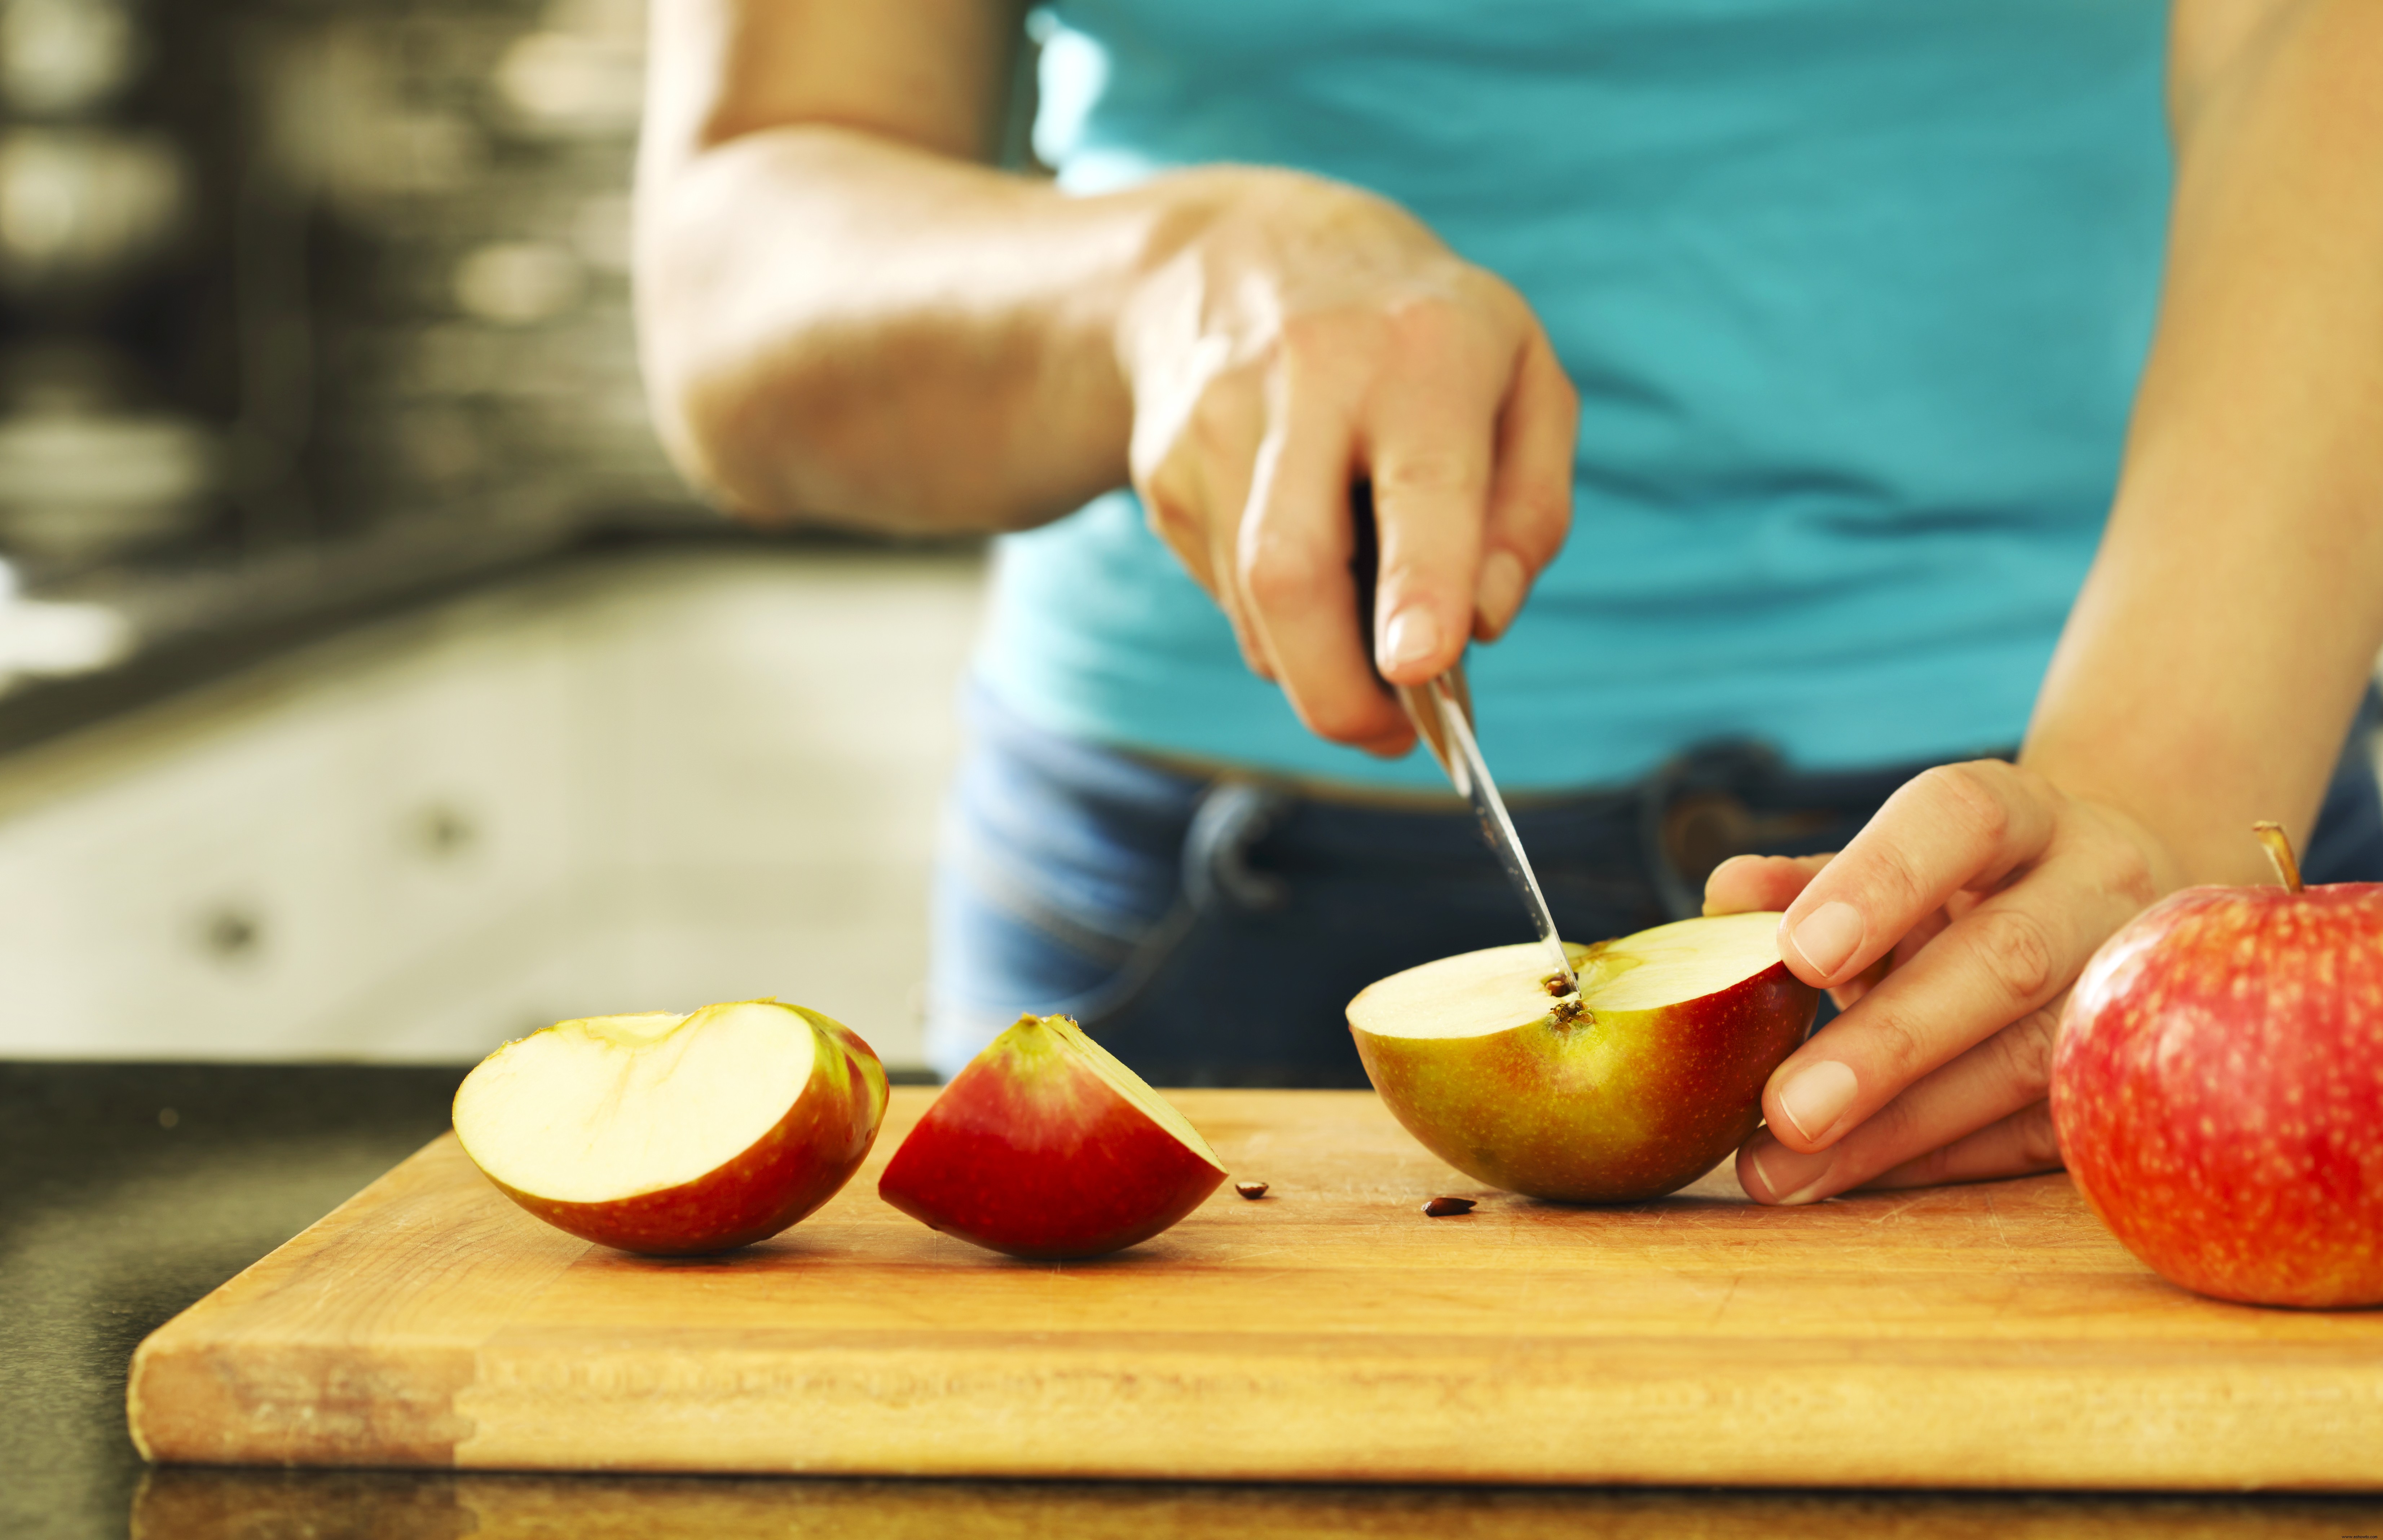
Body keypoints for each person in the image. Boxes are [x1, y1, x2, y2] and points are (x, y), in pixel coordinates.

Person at [633, 1, 2383, 1205]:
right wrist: (1150, 284)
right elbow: (736, 274)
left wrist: (2158, 795)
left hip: (2152, 812)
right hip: (1195, 905)